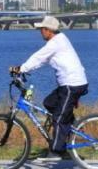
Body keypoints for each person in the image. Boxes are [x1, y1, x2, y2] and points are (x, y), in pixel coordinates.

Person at [10, 15, 88, 159]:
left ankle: (57, 151)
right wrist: (24, 69)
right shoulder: (59, 39)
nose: (40, 32)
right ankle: (70, 129)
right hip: (69, 84)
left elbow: (38, 57)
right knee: (49, 103)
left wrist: (21, 68)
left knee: (59, 118)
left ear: (48, 30)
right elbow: (41, 61)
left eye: (41, 29)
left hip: (72, 84)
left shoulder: (55, 43)